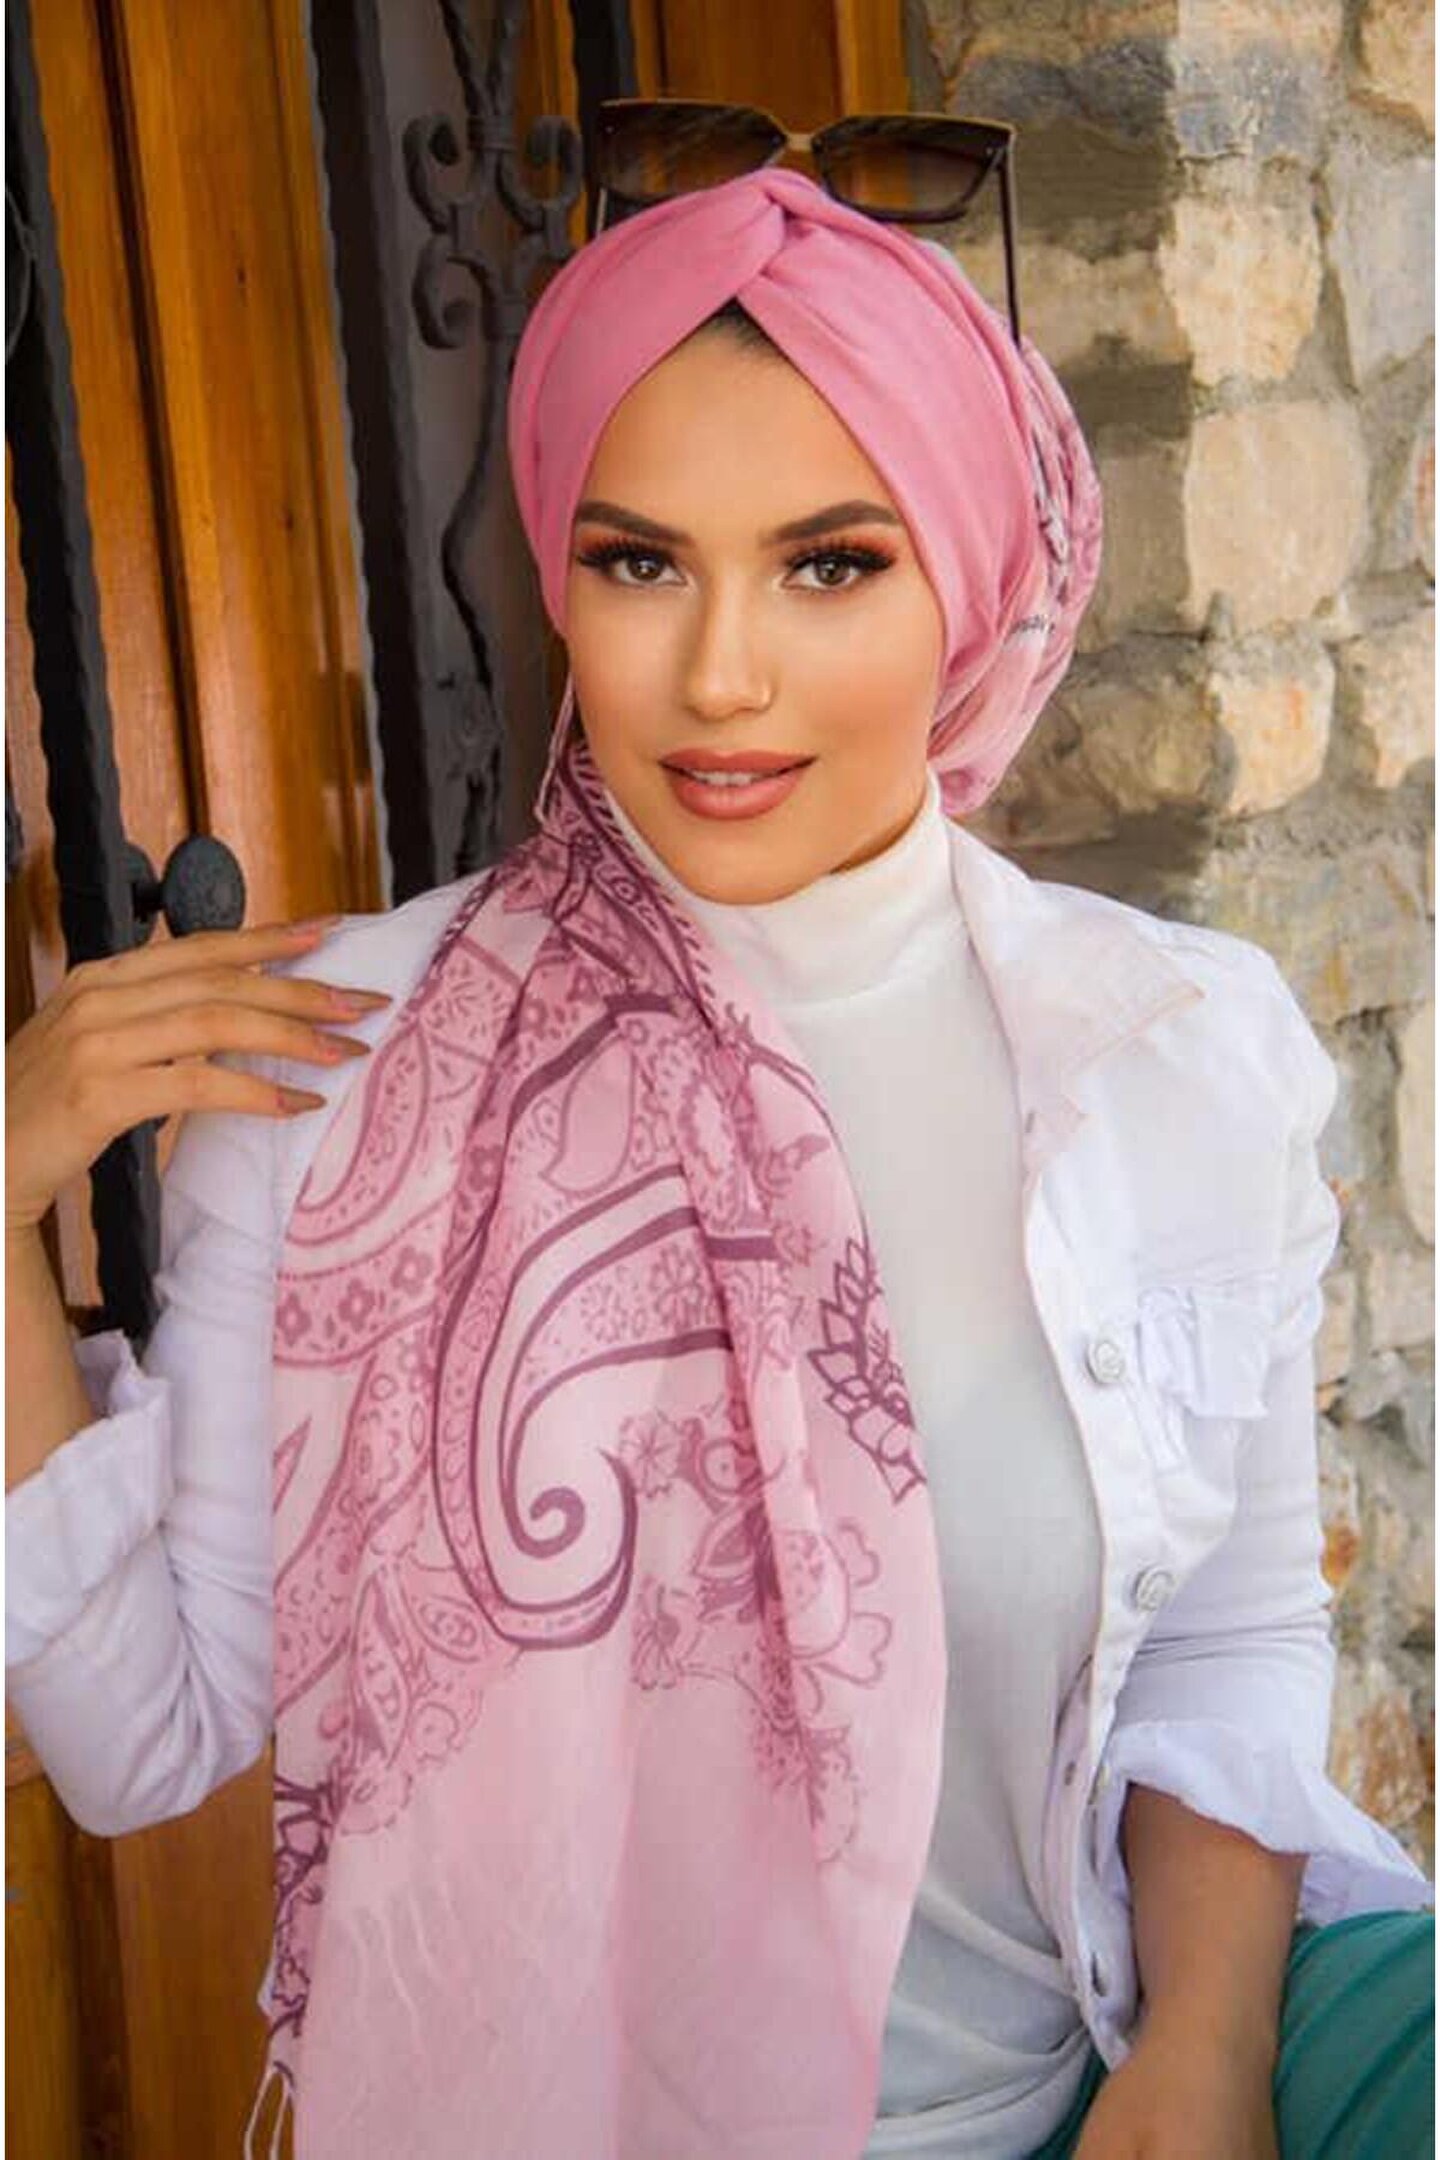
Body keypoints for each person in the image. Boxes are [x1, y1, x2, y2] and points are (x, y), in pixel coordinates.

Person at [5, 168, 1432, 2160]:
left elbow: (1227, 1630)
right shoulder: (338, 1072)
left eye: (831, 564)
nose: (722, 674)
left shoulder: (1178, 1053)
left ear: (972, 582)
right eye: (640, 563)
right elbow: (142, 1739)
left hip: (1071, 2096)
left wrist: (1199, 2051)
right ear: (558, 577)